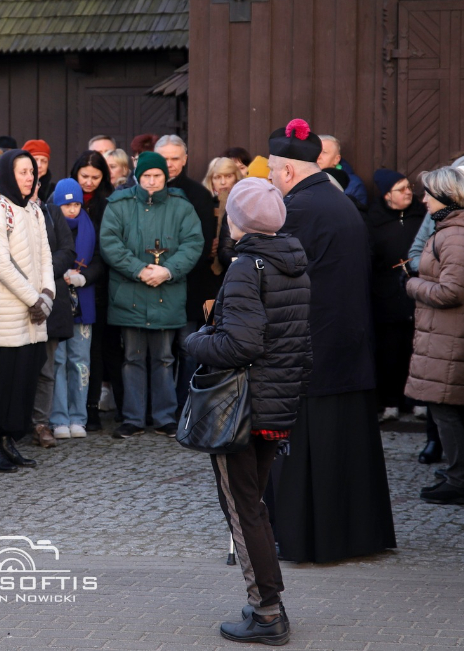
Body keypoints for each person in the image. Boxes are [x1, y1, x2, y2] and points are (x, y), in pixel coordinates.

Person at [182, 177, 310, 648]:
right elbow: (299, 342)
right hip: (276, 401)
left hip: (244, 405)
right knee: (253, 504)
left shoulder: (245, 266)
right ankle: (269, 603)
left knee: (243, 509)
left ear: (237, 221)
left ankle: (267, 612)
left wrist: (194, 338)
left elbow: (242, 343)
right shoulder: (292, 260)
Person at [266, 118, 397, 563]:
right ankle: (356, 536)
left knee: (315, 449)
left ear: (287, 172)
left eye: (270, 173)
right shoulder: (336, 200)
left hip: (313, 348)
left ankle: (310, 539)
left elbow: (281, 282)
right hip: (346, 344)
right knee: (348, 448)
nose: (269, 182)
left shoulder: (299, 209)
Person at [403, 167, 464, 505]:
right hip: (446, 330)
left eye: (428, 193)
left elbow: (452, 291)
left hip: (451, 330)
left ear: (444, 196)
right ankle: (460, 472)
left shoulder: (455, 235)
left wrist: (412, 284)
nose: (422, 199)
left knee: (446, 406)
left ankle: (459, 480)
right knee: (448, 406)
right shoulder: (451, 229)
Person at [99, 150, 202, 438]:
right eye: (146, 176)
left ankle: (164, 417)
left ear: (165, 176)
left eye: (157, 176)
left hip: (166, 292)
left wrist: (167, 271)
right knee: (132, 357)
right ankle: (132, 417)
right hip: (130, 292)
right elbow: (109, 242)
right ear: (137, 177)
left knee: (164, 358)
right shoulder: (119, 204)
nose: (152, 181)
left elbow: (193, 243)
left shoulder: (181, 206)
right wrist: (139, 270)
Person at [0, 149, 54, 471]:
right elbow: (1, 265)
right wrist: (34, 299)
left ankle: (11, 443)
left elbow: (46, 258)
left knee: (23, 383)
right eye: (23, 171)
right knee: (2, 385)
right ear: (9, 174)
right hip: (6, 313)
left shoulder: (35, 211)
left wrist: (47, 297)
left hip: (34, 315)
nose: (29, 178)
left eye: (32, 172)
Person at [155, 134, 221, 405]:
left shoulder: (198, 195)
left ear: (185, 159)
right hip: (151, 285)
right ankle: (158, 409)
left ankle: (186, 406)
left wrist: (171, 271)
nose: (169, 164)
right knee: (157, 354)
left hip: (190, 285)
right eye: (164, 158)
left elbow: (202, 244)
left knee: (187, 349)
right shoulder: (145, 191)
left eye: (175, 158)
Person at [365, 169, 426, 423]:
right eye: (401, 189)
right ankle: (389, 402)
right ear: (387, 195)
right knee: (389, 350)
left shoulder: (421, 216)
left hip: (416, 291)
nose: (408, 192)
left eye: (409, 187)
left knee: (417, 348)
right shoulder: (373, 219)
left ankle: (417, 401)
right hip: (386, 293)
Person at [49, 179, 103, 439]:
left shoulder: (89, 226)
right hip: (58, 302)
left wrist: (83, 276)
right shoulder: (48, 226)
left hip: (83, 301)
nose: (72, 209)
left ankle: (78, 417)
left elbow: (98, 260)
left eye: (76, 204)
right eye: (67, 204)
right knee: (58, 361)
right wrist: (62, 273)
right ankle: (58, 417)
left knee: (80, 361)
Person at [71, 150, 118, 430]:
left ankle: (91, 409)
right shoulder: (61, 199)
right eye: (84, 176)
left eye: (95, 177)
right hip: (68, 283)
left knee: (95, 350)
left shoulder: (107, 204)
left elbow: (105, 248)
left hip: (97, 286)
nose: (88, 182)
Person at [31, 174, 77, 448]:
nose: (32, 185)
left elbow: (67, 250)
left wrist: (44, 274)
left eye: (35, 180)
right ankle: (12, 424)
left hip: (49, 297)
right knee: (18, 368)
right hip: (15, 297)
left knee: (46, 369)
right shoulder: (3, 211)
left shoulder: (50, 211)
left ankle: (40, 423)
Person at [316, 134, 368, 207]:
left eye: (324, 152)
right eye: (316, 151)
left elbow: (358, 214)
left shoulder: (353, 184)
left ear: (336, 159)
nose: (318, 156)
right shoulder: (300, 177)